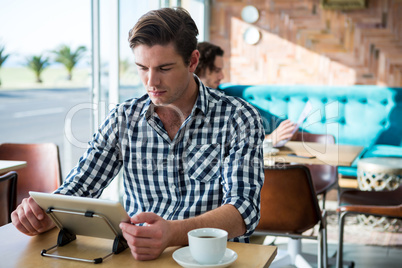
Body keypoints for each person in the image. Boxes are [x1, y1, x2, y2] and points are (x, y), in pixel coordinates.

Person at [11, 7, 265, 261]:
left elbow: (243, 210)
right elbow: (80, 187)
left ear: (193, 61)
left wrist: (172, 233)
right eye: (142, 67)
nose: (151, 82)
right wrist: (46, 212)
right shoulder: (123, 118)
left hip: (211, 260)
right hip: (140, 259)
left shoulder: (238, 118)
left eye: (164, 68)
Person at [195, 41, 296, 146]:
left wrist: (279, 135)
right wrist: (269, 141)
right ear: (199, 69)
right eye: (217, 70)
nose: (222, 76)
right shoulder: (193, 103)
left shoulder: (222, 98)